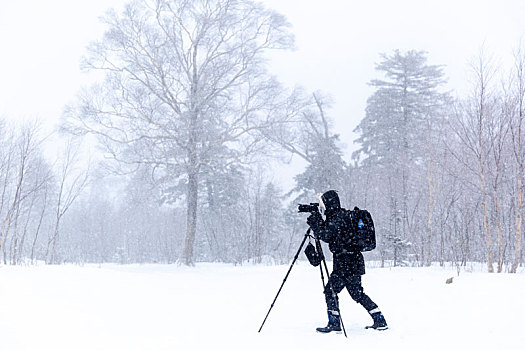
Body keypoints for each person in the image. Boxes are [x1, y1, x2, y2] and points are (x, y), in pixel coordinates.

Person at [306, 190, 388, 333]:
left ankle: (334, 323)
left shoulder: (336, 218)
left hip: (345, 262)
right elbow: (329, 233)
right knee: (357, 294)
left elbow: (325, 235)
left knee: (330, 291)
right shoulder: (343, 216)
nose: (322, 207)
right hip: (353, 261)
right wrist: (318, 220)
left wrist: (315, 221)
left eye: (323, 203)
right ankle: (379, 319)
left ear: (328, 203)